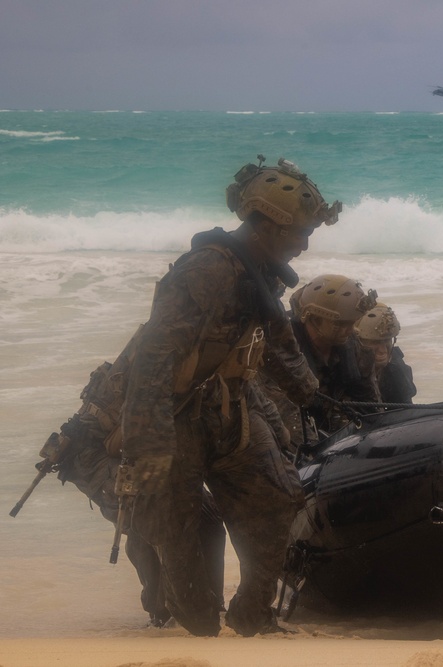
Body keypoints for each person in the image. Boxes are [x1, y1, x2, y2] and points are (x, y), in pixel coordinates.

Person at [120, 156, 339, 637]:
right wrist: (150, 447)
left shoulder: (258, 274)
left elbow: (277, 341)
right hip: (177, 420)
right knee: (177, 532)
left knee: (282, 497)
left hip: (228, 411)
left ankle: (252, 612)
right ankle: (194, 620)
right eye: (299, 234)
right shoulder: (206, 271)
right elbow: (153, 359)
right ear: (269, 227)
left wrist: (309, 391)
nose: (304, 246)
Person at [32, 327, 225, 628]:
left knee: (209, 518)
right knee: (147, 516)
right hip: (93, 454)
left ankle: (209, 602)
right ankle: (161, 611)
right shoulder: (161, 350)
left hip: (131, 446)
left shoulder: (199, 349)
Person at [260, 274, 378, 454]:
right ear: (313, 318)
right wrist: (320, 455)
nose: (350, 329)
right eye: (341, 323)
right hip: (290, 433)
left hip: (335, 430)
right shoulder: (281, 351)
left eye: (353, 322)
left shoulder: (353, 347)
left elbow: (370, 403)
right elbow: (285, 414)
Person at [355, 302, 417, 404]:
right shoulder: (345, 369)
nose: (382, 350)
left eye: (387, 341)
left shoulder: (395, 369)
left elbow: (407, 411)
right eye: (375, 342)